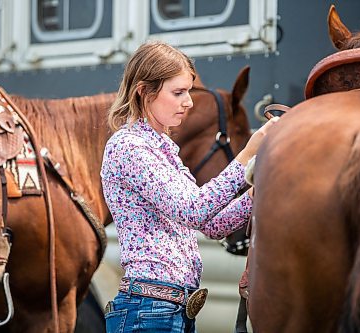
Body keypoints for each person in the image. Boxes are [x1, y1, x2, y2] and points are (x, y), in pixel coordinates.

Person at [100, 40, 279, 333]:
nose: (189, 102)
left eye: (188, 91)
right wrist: (246, 155)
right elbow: (194, 210)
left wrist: (260, 188)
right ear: (144, 91)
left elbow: (213, 225)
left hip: (167, 312)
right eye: (178, 92)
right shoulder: (128, 146)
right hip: (149, 312)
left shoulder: (163, 149)